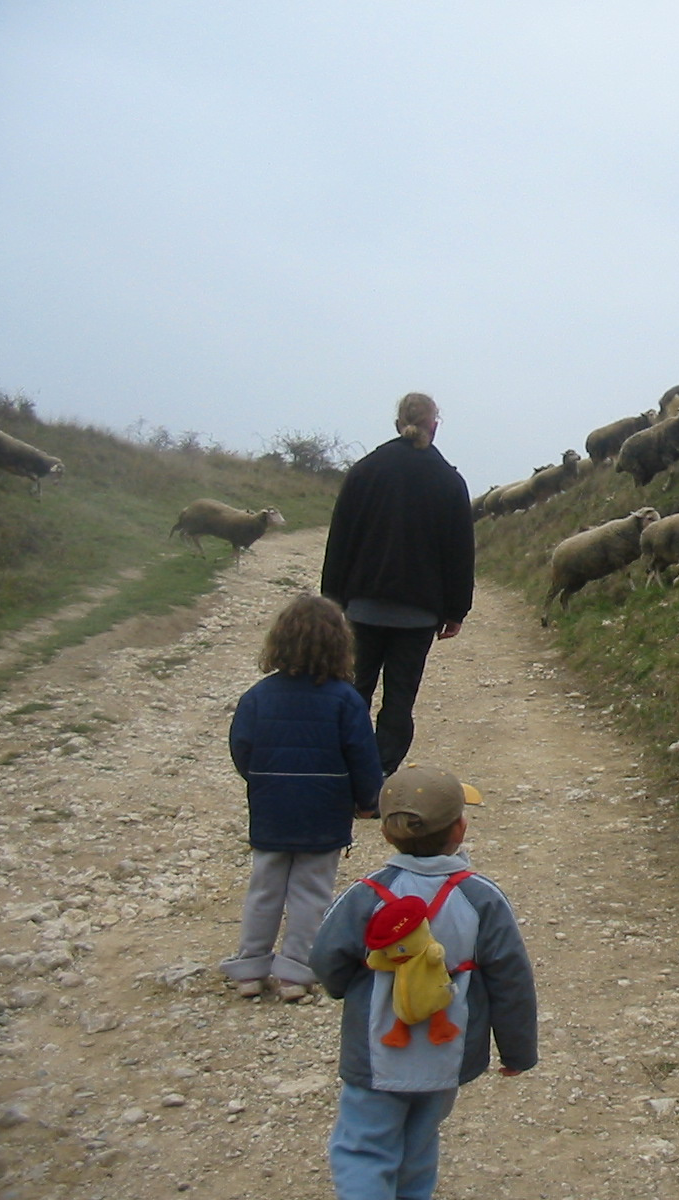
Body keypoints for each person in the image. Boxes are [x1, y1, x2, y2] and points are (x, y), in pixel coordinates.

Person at [311, 763, 538, 1200]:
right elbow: (511, 980)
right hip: (445, 1055)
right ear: (460, 829)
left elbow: (325, 958)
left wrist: (344, 986)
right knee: (418, 1145)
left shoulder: (366, 894)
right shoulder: (480, 897)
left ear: (386, 833)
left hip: (376, 1052)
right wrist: (517, 1050)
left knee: (363, 1147)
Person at [220, 594, 384, 1003]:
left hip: (272, 808)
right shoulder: (346, 700)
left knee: (265, 888)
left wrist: (261, 780)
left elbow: (241, 747)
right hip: (324, 812)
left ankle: (250, 970)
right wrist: (367, 801)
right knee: (311, 890)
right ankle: (296, 972)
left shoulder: (258, 696)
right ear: (340, 646)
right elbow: (363, 756)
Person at [320, 392, 476, 775]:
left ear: (397, 423)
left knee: (353, 691)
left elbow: (340, 540)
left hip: (361, 609)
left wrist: (331, 601)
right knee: (399, 699)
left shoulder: (365, 471)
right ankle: (378, 774)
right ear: (434, 425)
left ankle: (346, 770)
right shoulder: (449, 481)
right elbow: (459, 551)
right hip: (417, 615)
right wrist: (456, 609)